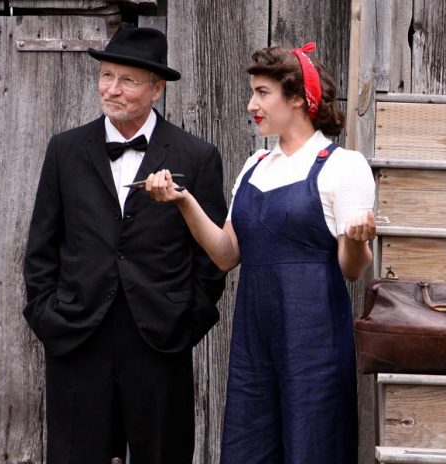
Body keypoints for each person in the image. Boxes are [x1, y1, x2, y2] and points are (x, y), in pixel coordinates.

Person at [146, 42, 376, 463]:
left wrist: (358, 239)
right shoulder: (254, 165)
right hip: (254, 341)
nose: (252, 104)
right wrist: (183, 201)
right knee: (247, 449)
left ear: (299, 99)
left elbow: (353, 269)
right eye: (252, 92)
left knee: (314, 449)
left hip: (315, 345)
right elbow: (225, 254)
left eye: (263, 92)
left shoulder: (343, 166)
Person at [22, 23, 227, 464]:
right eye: (106, 76)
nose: (111, 89)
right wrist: (47, 315)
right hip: (78, 338)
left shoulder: (197, 156)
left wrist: (185, 321)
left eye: (127, 80)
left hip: (159, 341)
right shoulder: (65, 150)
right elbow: (42, 246)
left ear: (156, 90)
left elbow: (211, 261)